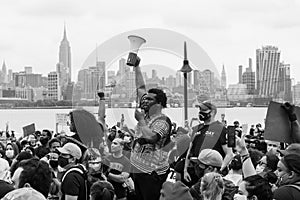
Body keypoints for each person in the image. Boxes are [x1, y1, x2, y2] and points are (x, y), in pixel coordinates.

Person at [131, 62, 172, 200]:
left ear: (159, 103)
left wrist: (141, 121)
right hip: (138, 171)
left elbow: (152, 138)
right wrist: (136, 67)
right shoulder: (147, 115)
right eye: (145, 99)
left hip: (152, 174)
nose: (144, 101)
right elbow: (141, 88)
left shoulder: (162, 120)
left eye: (149, 99)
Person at [178, 101, 233, 186]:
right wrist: (185, 170)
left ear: (213, 112)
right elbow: (190, 150)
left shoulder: (221, 129)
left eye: (203, 110)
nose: (200, 113)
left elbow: (229, 154)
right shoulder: (196, 129)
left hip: (212, 172)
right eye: (199, 110)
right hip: (196, 171)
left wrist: (220, 170)